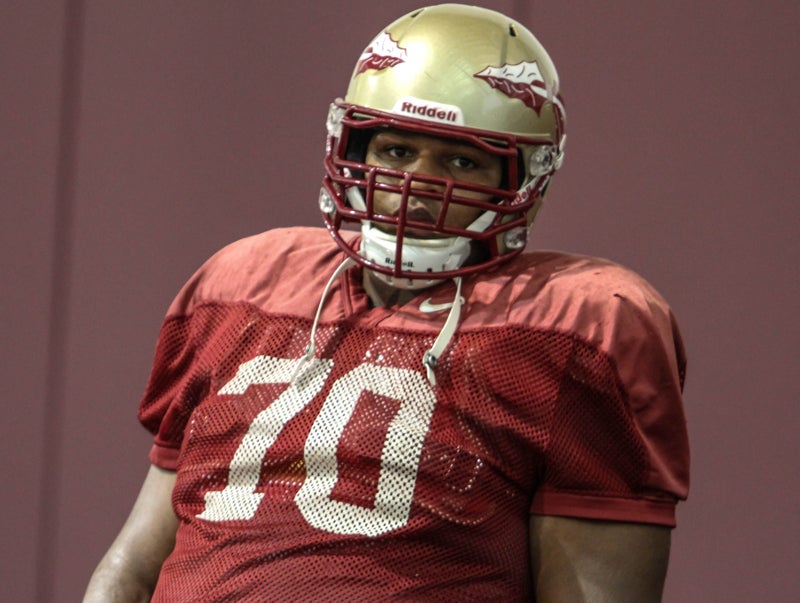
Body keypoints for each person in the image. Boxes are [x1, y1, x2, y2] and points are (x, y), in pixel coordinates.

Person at [84, 4, 689, 601]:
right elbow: (135, 564)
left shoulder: (574, 325)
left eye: (460, 160)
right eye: (396, 152)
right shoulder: (243, 286)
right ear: (353, 148)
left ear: (524, 180)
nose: (413, 189)